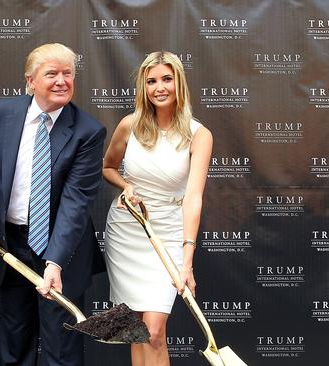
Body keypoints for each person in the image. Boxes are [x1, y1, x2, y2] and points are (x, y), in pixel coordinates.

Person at [0, 43, 106, 366]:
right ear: (30, 81)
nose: (62, 81)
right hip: (11, 247)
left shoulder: (88, 132)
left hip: (62, 252)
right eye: (52, 73)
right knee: (14, 345)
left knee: (62, 351)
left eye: (68, 73)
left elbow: (75, 204)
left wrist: (54, 263)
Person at [102, 51, 213, 366]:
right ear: (143, 86)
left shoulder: (199, 135)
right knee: (135, 330)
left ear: (179, 83)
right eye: (151, 81)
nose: (159, 87)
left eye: (167, 79)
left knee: (154, 329)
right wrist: (126, 186)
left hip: (167, 234)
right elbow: (108, 168)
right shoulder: (130, 125)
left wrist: (187, 261)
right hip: (128, 231)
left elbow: (193, 197)